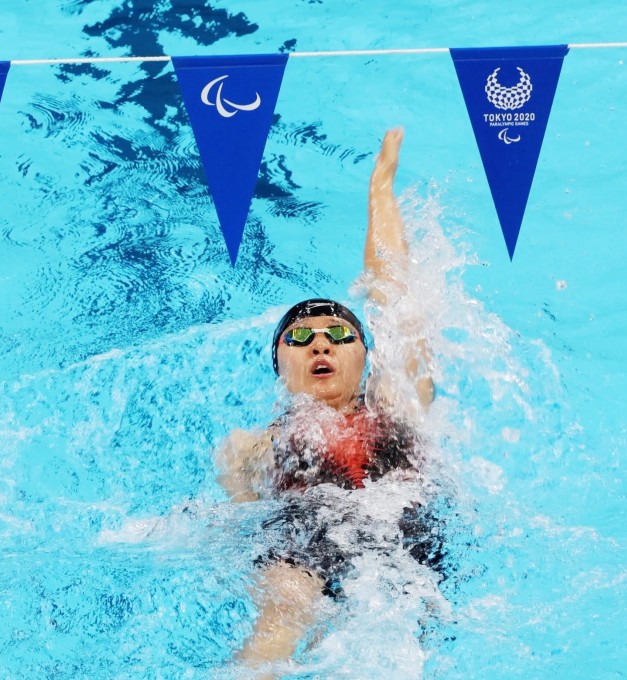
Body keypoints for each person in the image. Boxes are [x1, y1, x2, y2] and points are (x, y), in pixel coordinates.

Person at [216, 128, 444, 674]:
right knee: (276, 627)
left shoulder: (397, 402)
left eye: (340, 334)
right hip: (305, 540)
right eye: (300, 337)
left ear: (365, 355)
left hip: (408, 535)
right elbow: (241, 530)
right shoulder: (249, 446)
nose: (321, 341)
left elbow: (397, 293)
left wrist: (380, 189)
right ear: (281, 365)